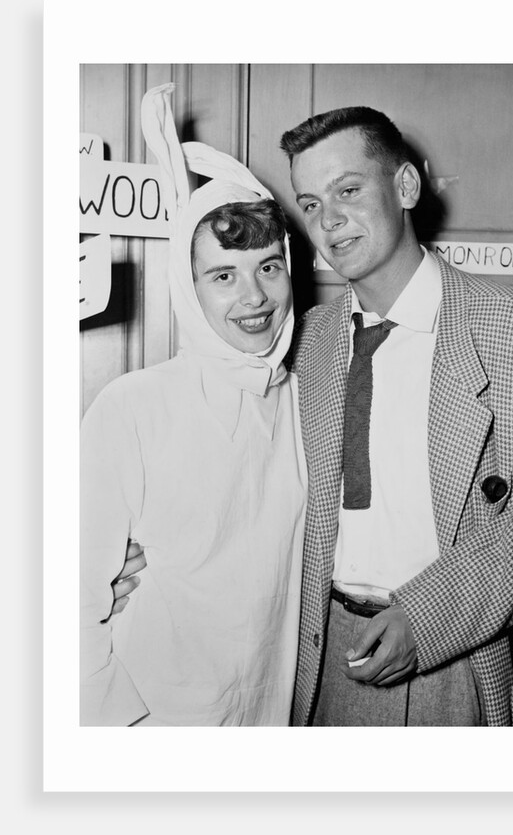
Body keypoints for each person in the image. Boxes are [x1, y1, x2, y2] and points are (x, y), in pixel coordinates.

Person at [279, 106, 513, 727]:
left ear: (406, 187)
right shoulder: (304, 343)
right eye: (309, 203)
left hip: (458, 656)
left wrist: (430, 616)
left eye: (348, 190)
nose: (329, 219)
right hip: (320, 660)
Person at [80, 84, 306, 726]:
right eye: (223, 275)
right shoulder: (132, 408)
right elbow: (66, 599)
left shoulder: (302, 403)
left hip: (265, 719)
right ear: (189, 285)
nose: (254, 297)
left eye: (269, 267)